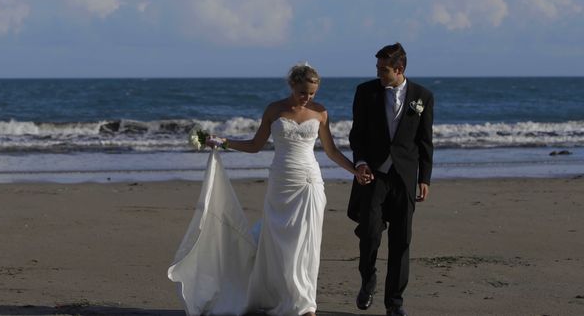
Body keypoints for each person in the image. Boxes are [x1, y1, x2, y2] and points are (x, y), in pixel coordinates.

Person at [168, 63, 361, 316]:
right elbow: (255, 145)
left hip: (310, 182)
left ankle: (305, 303)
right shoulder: (274, 109)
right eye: (303, 92)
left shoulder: (320, 112)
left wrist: (355, 170)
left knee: (307, 243)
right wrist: (224, 143)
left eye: (312, 93)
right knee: (279, 243)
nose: (308, 98)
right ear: (292, 85)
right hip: (281, 181)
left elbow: (332, 151)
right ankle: (279, 295)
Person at [347, 43, 434, 316]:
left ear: (399, 69)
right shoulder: (365, 92)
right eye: (377, 69)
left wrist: (425, 178)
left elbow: (425, 141)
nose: (379, 74)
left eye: (384, 70)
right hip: (373, 175)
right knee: (370, 233)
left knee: (401, 241)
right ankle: (368, 277)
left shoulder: (423, 96)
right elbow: (356, 135)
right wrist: (360, 163)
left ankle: (394, 304)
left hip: (405, 178)